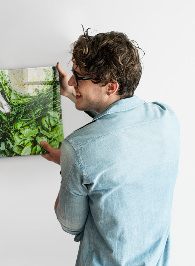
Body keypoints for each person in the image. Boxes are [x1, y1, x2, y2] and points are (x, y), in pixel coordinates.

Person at [40, 31, 180, 265]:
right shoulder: (166, 118)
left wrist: (68, 163)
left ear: (111, 86)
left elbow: (69, 224)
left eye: (78, 77)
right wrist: (71, 93)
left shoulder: (77, 148)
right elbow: (120, 125)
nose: (72, 81)